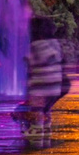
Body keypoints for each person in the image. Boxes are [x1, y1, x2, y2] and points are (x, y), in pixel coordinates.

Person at [20, 14, 67, 148]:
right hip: (54, 88)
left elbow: (29, 62)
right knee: (46, 111)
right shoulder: (55, 44)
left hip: (40, 88)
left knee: (37, 112)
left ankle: (36, 138)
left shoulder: (35, 46)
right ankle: (46, 133)